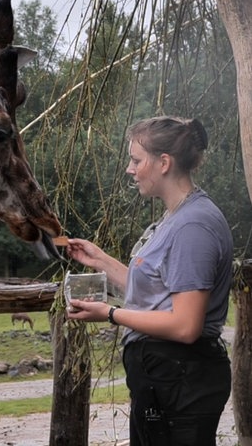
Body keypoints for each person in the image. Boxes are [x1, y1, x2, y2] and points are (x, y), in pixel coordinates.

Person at [66, 116, 233, 446]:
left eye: (136, 160)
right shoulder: (176, 218)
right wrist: (99, 259)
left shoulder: (192, 227)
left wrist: (110, 314)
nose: (130, 169)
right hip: (166, 380)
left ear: (164, 163)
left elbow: (185, 325)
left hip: (183, 381)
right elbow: (156, 294)